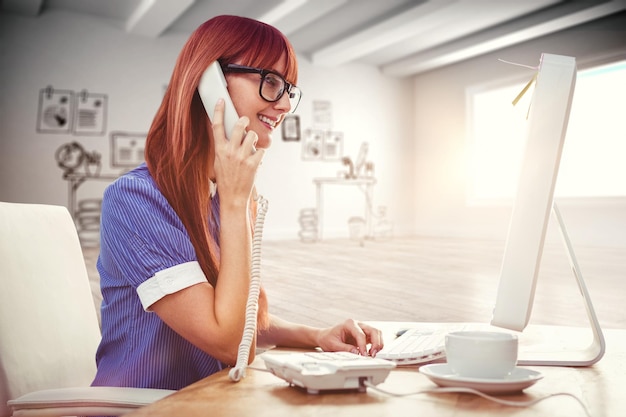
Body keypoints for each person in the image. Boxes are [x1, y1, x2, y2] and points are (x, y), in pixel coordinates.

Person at [92, 15, 384, 390]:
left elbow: (233, 316)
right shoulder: (135, 201)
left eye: (288, 90)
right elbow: (232, 345)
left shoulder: (222, 194)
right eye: (271, 82)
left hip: (210, 400)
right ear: (209, 82)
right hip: (147, 407)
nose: (282, 106)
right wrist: (235, 202)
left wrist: (315, 335)